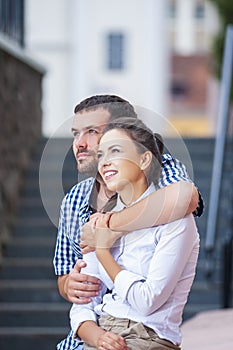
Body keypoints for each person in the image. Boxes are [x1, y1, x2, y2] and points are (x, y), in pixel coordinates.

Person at [53, 94, 203, 350]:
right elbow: (66, 276)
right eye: (76, 134)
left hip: (141, 333)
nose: (79, 143)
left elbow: (185, 198)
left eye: (91, 131)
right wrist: (71, 285)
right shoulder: (75, 199)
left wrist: (109, 227)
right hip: (88, 332)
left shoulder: (161, 170)